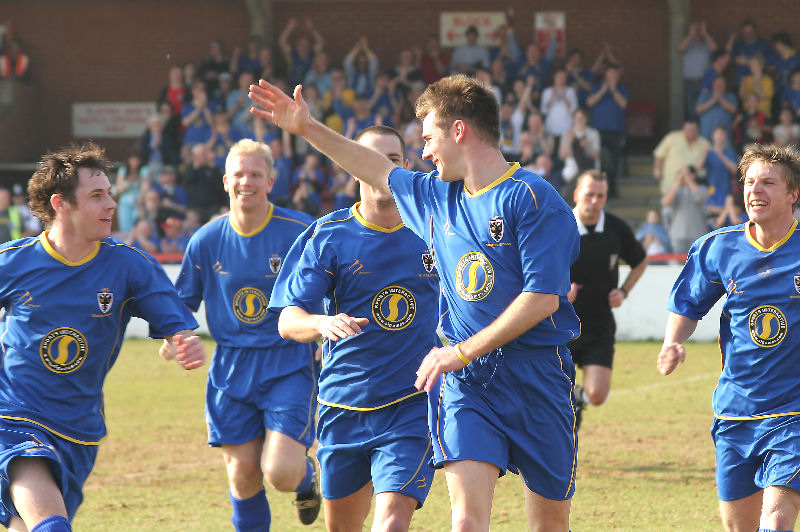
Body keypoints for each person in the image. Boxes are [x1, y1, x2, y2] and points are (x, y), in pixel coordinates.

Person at [250, 73, 581, 531]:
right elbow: (374, 168)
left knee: (549, 526)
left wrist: (461, 350)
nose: (424, 153)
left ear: (458, 131)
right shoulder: (434, 196)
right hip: (467, 383)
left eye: (428, 138)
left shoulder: (531, 197)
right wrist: (308, 129)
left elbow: (543, 298)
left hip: (537, 375)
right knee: (465, 522)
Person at [0, 142, 205, 532]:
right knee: (51, 525)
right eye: (97, 195)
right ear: (61, 204)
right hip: (14, 415)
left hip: (79, 427)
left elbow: (171, 317)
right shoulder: (15, 260)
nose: (111, 203)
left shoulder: (129, 265)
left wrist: (181, 339)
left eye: (110, 192)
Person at [270, 125, 438, 532]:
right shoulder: (330, 234)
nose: (382, 169)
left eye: (392, 161)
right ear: (353, 167)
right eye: (372, 160)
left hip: (411, 405)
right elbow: (286, 320)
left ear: (405, 166)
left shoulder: (435, 229)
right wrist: (320, 321)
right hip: (343, 406)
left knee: (391, 522)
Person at [170, 139, 320, 531]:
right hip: (231, 368)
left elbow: (333, 284)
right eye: (239, 174)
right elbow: (177, 308)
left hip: (288, 360)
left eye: (255, 174)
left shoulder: (300, 230)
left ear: (271, 181)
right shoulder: (205, 239)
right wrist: (176, 340)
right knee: (242, 475)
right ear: (225, 181)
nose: (246, 182)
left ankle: (307, 479)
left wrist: (325, 329)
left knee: (281, 472)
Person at [657, 143, 800, 532]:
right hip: (736, 411)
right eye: (750, 182)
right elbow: (687, 304)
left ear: (793, 194)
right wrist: (673, 342)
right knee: (740, 526)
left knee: (777, 517)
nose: (756, 190)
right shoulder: (720, 247)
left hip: (793, 413)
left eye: (769, 182)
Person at [566, 170, 647, 429]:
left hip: (599, 324)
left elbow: (640, 260)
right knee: (548, 395)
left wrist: (623, 291)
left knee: (598, 395)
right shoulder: (558, 225)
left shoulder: (615, 228)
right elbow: (532, 266)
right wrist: (557, 290)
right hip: (558, 323)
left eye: (600, 196)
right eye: (589, 194)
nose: (594, 201)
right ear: (578, 194)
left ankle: (578, 397)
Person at [661, 164, 710, 253]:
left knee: (696, 262)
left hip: (697, 233)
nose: (683, 176)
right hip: (678, 234)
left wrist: (688, 180)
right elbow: (666, 202)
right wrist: (677, 183)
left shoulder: (702, 188)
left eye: (686, 174)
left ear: (693, 175)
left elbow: (701, 196)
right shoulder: (676, 190)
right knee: (677, 265)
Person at [679, 21, 718, 119]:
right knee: (691, 111)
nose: (696, 32)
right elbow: (680, 48)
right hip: (690, 82)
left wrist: (705, 33)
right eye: (694, 30)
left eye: (698, 30)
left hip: (704, 82)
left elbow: (715, 49)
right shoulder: (687, 44)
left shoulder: (706, 44)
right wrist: (690, 34)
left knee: (703, 109)